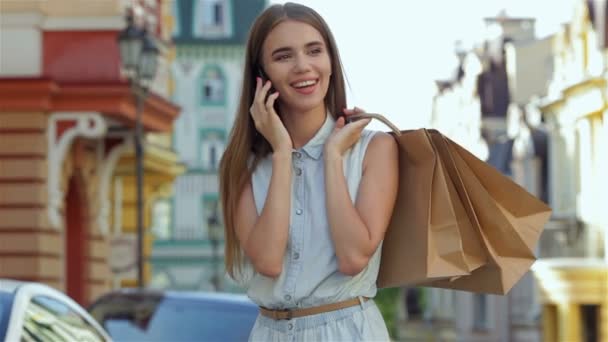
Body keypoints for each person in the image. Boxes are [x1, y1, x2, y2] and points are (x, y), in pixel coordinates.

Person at [218, 2, 398, 341]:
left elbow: (353, 257)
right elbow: (269, 261)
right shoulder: (241, 163)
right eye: (283, 56)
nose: (303, 66)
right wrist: (283, 152)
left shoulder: (374, 149)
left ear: (330, 60)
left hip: (348, 331)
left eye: (314, 51)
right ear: (262, 74)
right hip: (269, 332)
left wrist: (332, 157)